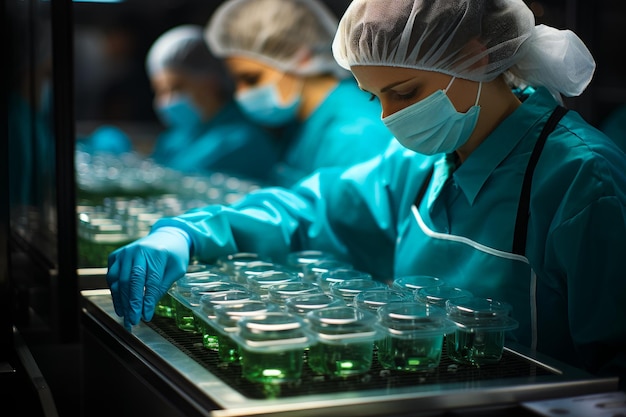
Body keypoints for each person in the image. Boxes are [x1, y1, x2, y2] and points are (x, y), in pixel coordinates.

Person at [107, 0, 626, 387]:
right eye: (375, 96)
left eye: (404, 93)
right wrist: (187, 233)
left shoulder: (580, 179)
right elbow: (309, 208)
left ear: (474, 56)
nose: (387, 118)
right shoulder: (418, 161)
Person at [204, 0, 394, 186]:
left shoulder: (354, 134)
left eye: (252, 79)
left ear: (302, 57)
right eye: (235, 81)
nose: (240, 93)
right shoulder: (305, 122)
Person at [141, 24, 279, 180]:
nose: (166, 100)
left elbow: (171, 182)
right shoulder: (178, 137)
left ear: (210, 82)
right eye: (159, 91)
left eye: (176, 87)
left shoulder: (242, 142)